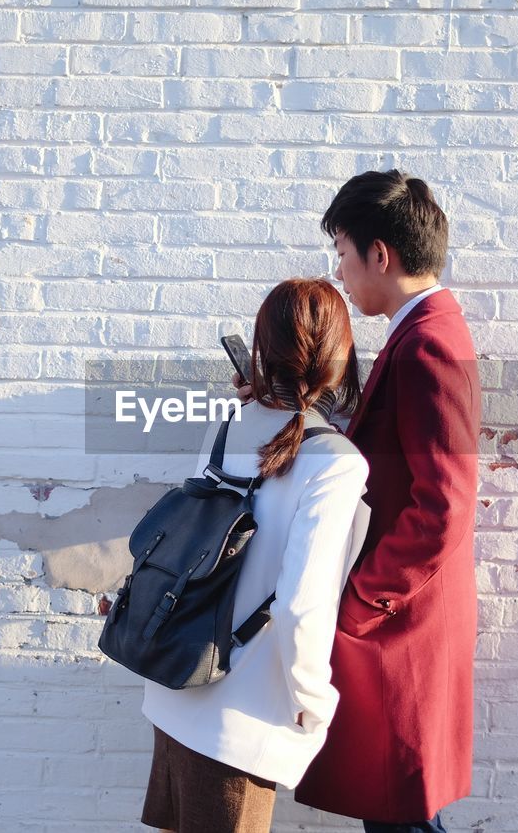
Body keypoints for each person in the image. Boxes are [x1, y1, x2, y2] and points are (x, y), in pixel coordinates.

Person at [140, 278, 372, 833]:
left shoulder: (225, 427)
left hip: (175, 685)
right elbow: (300, 607)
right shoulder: (336, 462)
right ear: (339, 357)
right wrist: (314, 702)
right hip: (237, 719)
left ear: (263, 347)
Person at [291, 170, 481, 832]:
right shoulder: (421, 329)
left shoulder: (428, 341)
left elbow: (446, 506)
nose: (338, 270)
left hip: (401, 625)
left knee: (401, 819)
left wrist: (361, 601)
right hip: (403, 622)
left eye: (342, 249)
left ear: (381, 253)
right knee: (398, 817)